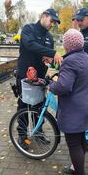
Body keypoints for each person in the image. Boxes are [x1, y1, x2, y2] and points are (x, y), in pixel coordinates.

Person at [49, 29, 88, 175]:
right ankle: (77, 166)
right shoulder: (84, 56)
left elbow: (63, 87)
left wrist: (51, 84)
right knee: (81, 139)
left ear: (67, 45)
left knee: (73, 143)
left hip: (75, 109)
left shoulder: (70, 61)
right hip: (86, 105)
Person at [16, 8, 63, 149]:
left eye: (55, 22)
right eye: (51, 21)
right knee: (24, 105)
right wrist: (52, 53)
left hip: (40, 77)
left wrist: (54, 62)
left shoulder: (49, 37)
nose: (52, 24)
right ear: (43, 16)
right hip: (25, 75)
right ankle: (22, 135)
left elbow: (49, 59)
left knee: (39, 105)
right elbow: (30, 46)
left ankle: (38, 132)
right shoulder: (28, 29)